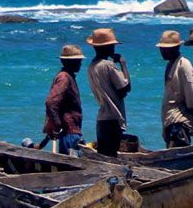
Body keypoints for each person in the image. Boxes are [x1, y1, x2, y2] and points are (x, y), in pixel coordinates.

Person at [85, 28, 131, 156]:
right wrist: (123, 64)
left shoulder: (91, 67)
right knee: (112, 156)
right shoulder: (108, 65)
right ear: (107, 47)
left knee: (104, 155)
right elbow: (125, 87)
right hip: (113, 118)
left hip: (102, 118)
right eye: (112, 46)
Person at [42, 45, 85, 153]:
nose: (80, 63)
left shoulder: (67, 76)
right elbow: (51, 102)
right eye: (77, 61)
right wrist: (58, 124)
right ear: (68, 62)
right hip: (69, 132)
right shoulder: (64, 78)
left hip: (70, 132)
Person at [157, 30, 193, 148]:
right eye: (162, 48)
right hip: (169, 119)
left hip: (179, 121)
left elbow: (191, 92)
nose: (162, 51)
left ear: (176, 48)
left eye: (166, 49)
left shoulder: (184, 65)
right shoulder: (170, 64)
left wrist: (190, 112)